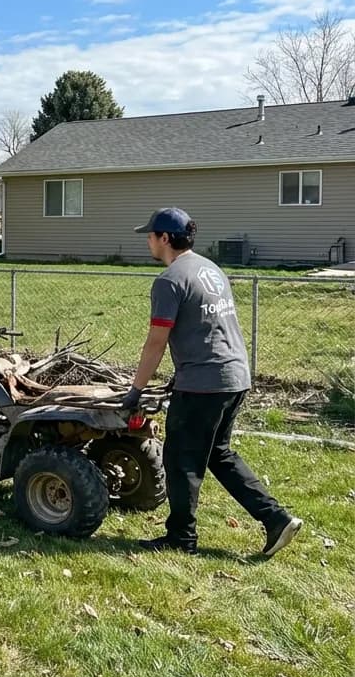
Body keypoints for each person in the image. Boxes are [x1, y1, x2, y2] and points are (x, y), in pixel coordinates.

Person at [123, 207, 302, 556]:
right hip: (235, 376)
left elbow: (156, 341)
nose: (147, 240)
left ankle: (181, 538)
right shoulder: (211, 269)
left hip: (205, 383)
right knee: (217, 453)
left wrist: (136, 389)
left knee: (180, 459)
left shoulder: (170, 280)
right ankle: (276, 518)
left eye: (150, 235)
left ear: (164, 238)